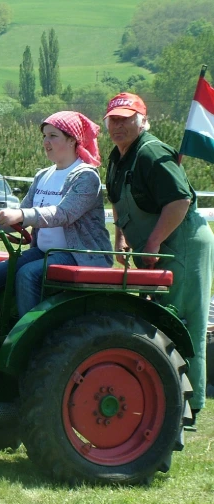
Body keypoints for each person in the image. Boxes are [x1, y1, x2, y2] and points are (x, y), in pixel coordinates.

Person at [104, 92, 214, 426]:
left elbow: (179, 201)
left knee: (180, 321)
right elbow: (119, 200)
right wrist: (121, 237)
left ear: (142, 120)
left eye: (127, 119)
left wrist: (152, 241)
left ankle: (188, 408)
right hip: (154, 246)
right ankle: (161, 395)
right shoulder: (118, 156)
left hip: (182, 244)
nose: (119, 125)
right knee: (156, 317)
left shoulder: (152, 153)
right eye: (114, 120)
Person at [0, 111, 112, 319]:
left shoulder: (86, 176)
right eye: (44, 136)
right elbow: (19, 219)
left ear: (72, 140)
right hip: (44, 252)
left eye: (53, 136)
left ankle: (28, 341)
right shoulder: (43, 175)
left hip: (78, 254)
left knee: (28, 274)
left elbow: (63, 214)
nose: (46, 142)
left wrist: (20, 215)